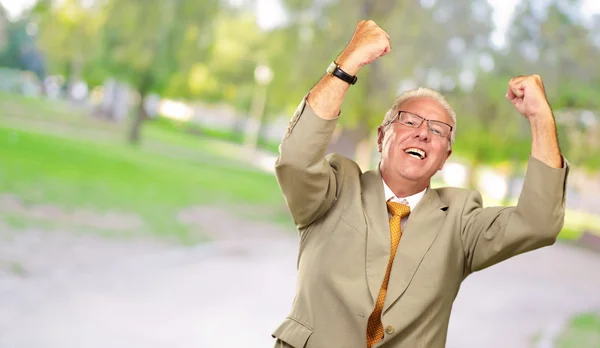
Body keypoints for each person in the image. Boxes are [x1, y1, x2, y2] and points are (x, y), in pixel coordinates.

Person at [271, 20, 569, 348]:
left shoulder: (461, 221)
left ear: (444, 157)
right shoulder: (335, 188)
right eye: (409, 121)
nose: (423, 132)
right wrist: (349, 61)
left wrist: (541, 117)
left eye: (438, 130)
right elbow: (296, 158)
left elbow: (540, 223)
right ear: (383, 137)